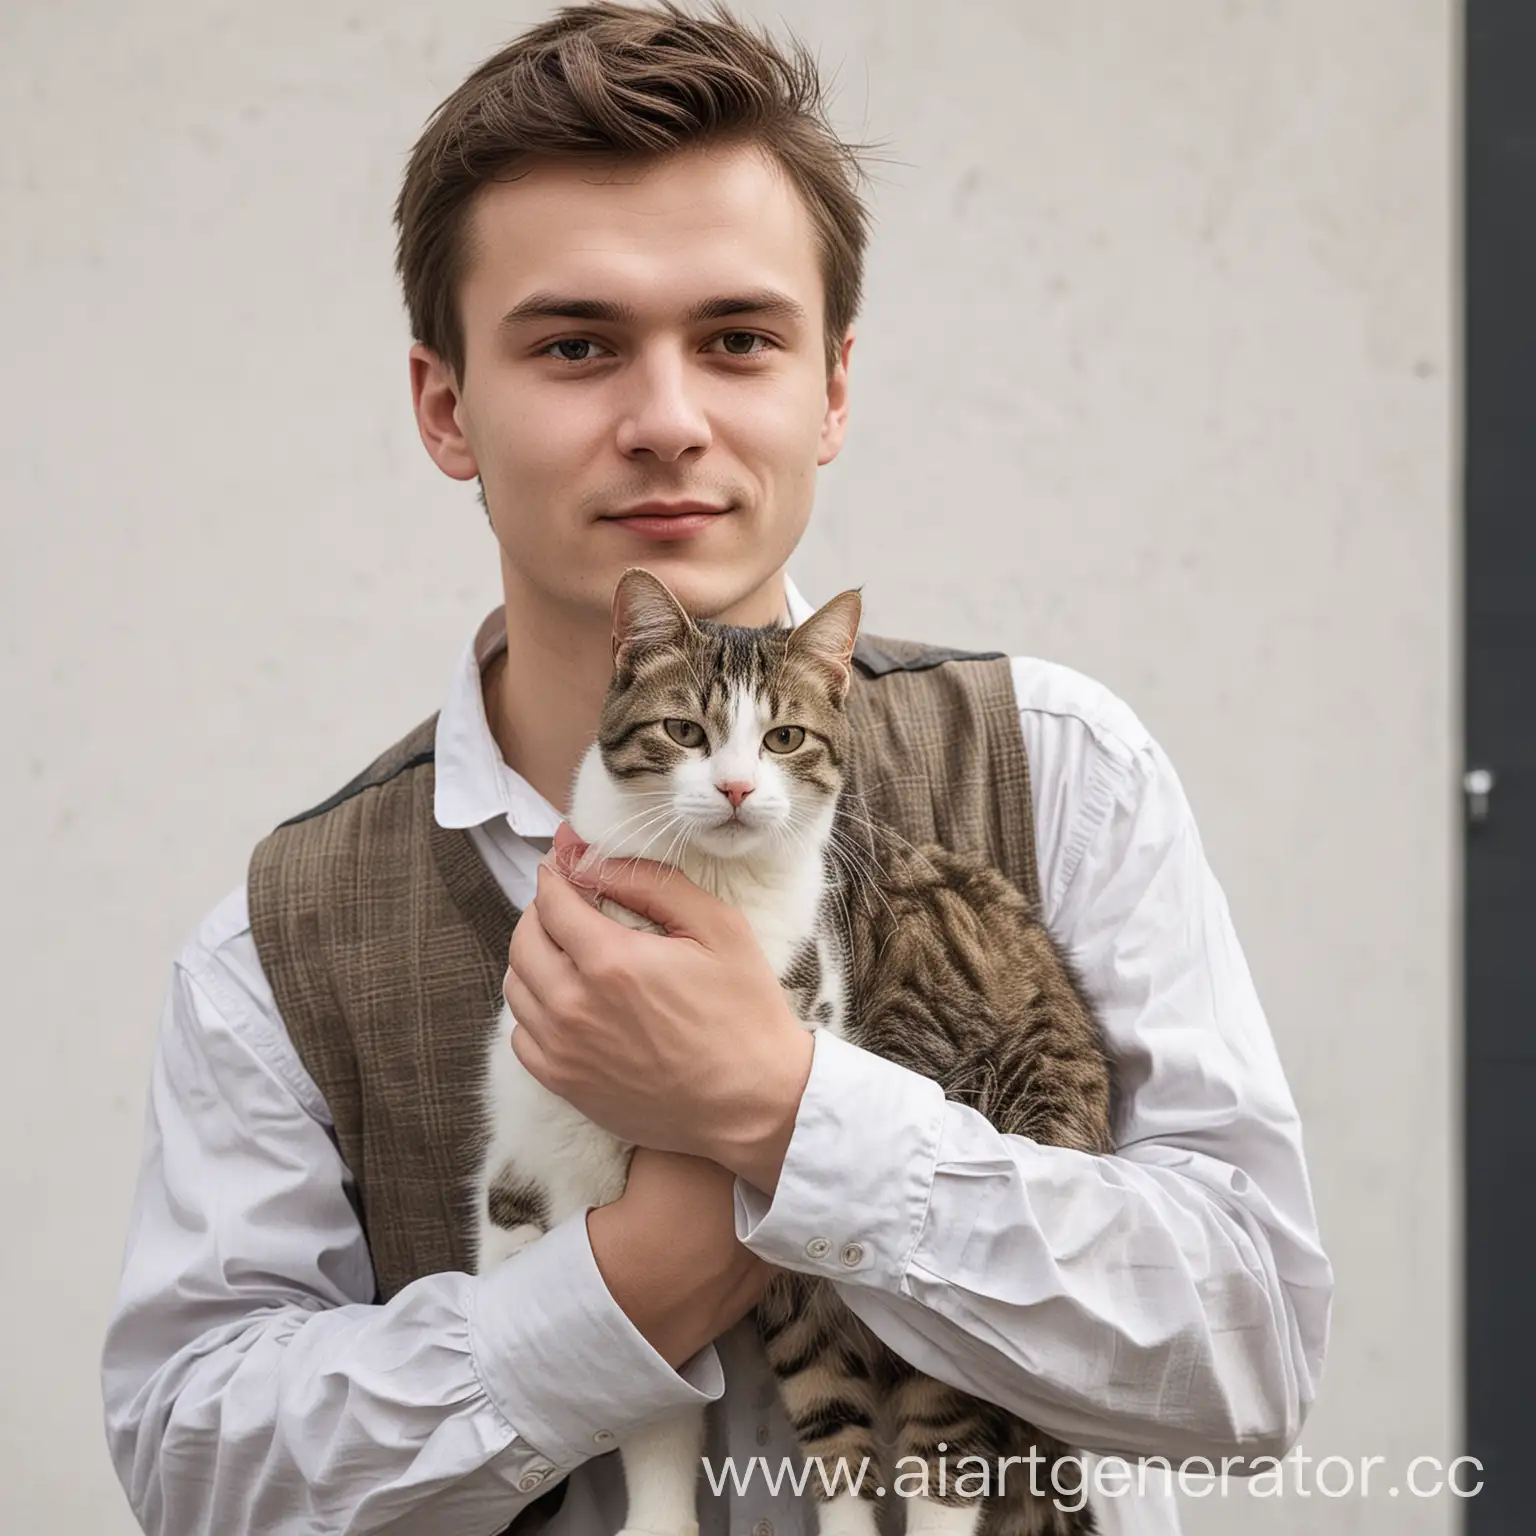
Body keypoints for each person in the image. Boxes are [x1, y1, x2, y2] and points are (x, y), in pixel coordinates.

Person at [99, 4, 1333, 1534]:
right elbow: (196, 1467)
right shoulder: (273, 947)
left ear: (830, 388)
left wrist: (788, 1119)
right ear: (446, 407)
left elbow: (1253, 1356)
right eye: (576, 346)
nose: (668, 422)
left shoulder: (1059, 766)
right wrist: (611, 1298)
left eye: (738, 340)